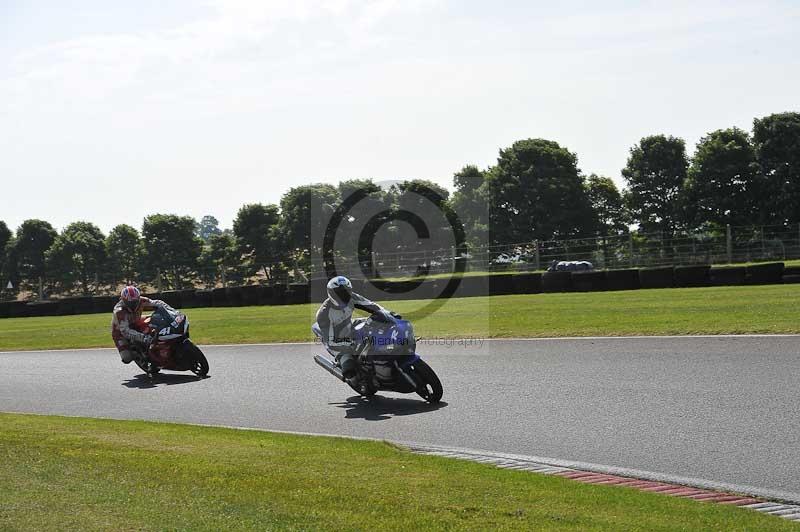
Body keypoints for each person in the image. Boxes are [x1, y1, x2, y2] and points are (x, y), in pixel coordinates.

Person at [314, 276, 396, 380]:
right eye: (340, 293)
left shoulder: (352, 297)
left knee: (377, 322)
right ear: (331, 293)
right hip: (337, 341)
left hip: (349, 326)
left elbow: (371, 305)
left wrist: (388, 314)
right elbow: (331, 342)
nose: (344, 296)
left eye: (346, 292)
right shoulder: (324, 314)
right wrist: (351, 344)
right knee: (349, 371)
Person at [111, 285, 174, 364]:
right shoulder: (119, 311)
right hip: (120, 332)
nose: (133, 305)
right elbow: (125, 331)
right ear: (123, 300)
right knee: (127, 358)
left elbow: (158, 303)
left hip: (136, 322)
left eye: (135, 302)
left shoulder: (141, 300)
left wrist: (171, 311)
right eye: (130, 303)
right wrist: (144, 338)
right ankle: (138, 354)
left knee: (154, 321)